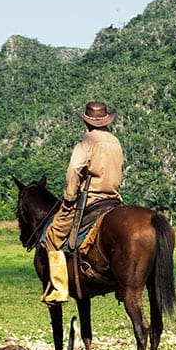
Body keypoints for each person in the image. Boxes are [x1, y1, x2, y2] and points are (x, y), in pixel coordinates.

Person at [40, 101, 124, 303]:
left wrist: (69, 198)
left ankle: (59, 288)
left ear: (87, 121)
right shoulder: (115, 141)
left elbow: (74, 169)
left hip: (91, 199)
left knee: (52, 235)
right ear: (105, 120)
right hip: (113, 199)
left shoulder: (87, 140)